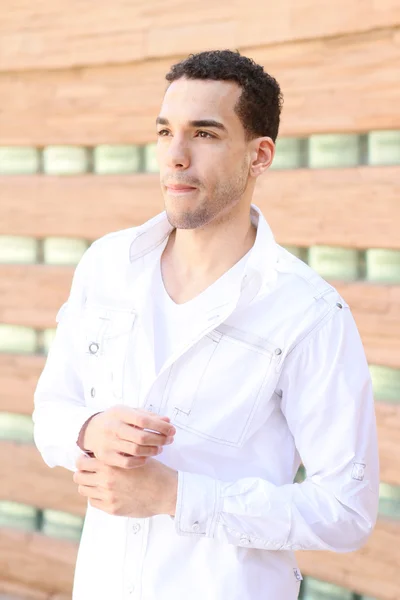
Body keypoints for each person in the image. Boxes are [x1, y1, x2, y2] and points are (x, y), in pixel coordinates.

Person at [33, 50, 379, 600]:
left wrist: (177, 496)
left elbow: (345, 511)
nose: (175, 155)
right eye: (165, 131)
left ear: (259, 155)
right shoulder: (106, 265)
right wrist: (88, 430)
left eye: (205, 134)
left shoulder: (310, 313)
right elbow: (51, 409)